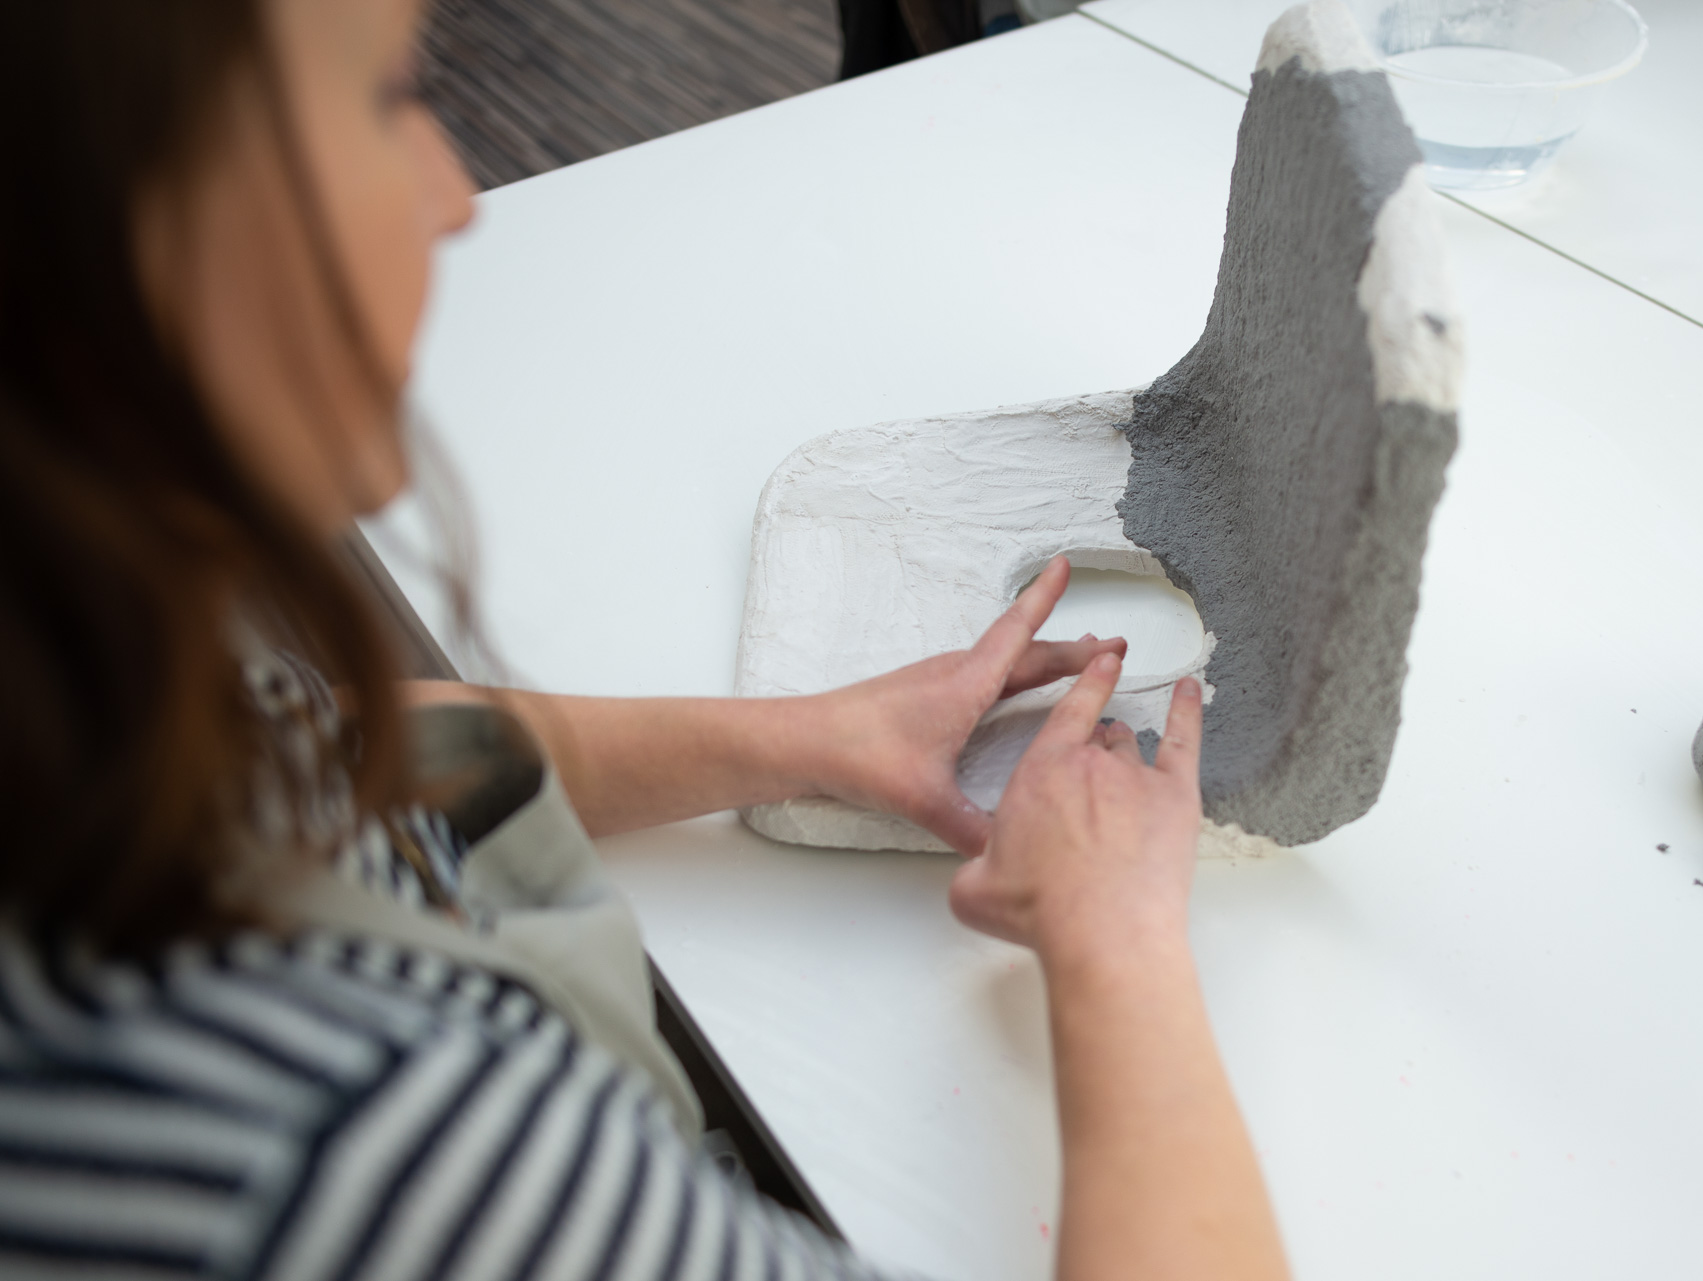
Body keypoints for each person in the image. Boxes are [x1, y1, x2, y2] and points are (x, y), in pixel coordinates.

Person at [0, 2, 1290, 1279]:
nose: (458, 196)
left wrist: (807, 738)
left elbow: (284, 747)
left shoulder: (67, 700)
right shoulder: (382, 1161)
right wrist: (1119, 952)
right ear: (135, 242)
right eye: (391, 99)